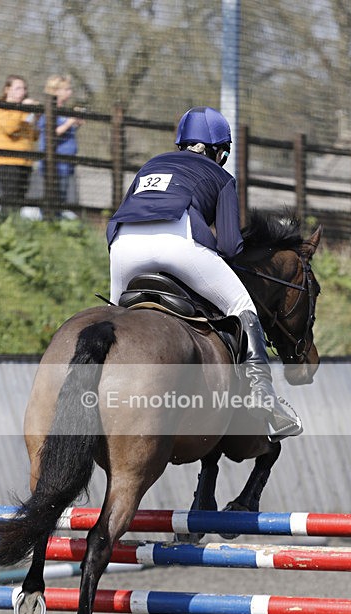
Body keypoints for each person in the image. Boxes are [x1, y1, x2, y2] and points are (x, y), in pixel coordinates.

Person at [106, 106, 302, 441]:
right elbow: (229, 245)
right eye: (223, 152)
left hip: (123, 247)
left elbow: (124, 213)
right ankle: (264, 397)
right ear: (217, 151)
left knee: (113, 322)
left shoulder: (151, 165)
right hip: (179, 243)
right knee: (243, 306)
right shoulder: (222, 177)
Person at [0, 75, 39, 220]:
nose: (22, 92)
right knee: (9, 198)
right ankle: (4, 228)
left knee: (19, 200)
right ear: (7, 90)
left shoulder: (22, 112)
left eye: (24, 88)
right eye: (17, 88)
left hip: (25, 161)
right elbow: (10, 128)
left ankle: (14, 229)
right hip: (6, 161)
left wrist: (34, 117)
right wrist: (24, 109)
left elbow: (33, 135)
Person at [38, 75, 84, 213]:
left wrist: (76, 123)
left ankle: (55, 225)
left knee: (62, 198)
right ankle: (49, 224)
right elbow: (52, 133)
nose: (70, 92)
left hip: (66, 162)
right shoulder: (48, 110)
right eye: (66, 89)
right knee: (52, 197)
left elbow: (64, 129)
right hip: (54, 164)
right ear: (56, 91)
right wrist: (70, 121)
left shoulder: (63, 110)